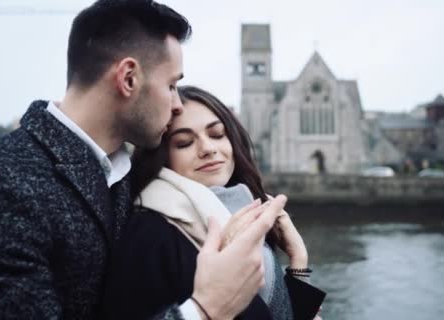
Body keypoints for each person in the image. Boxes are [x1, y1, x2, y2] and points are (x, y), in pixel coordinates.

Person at [0, 1, 286, 319]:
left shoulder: (121, 177)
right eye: (171, 85)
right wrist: (204, 310)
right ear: (128, 78)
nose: (178, 104)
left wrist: (296, 269)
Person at [104, 86, 326, 319]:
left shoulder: (244, 211)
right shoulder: (151, 232)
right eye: (184, 142)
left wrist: (298, 261)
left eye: (217, 134)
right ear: (162, 156)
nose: (208, 149)